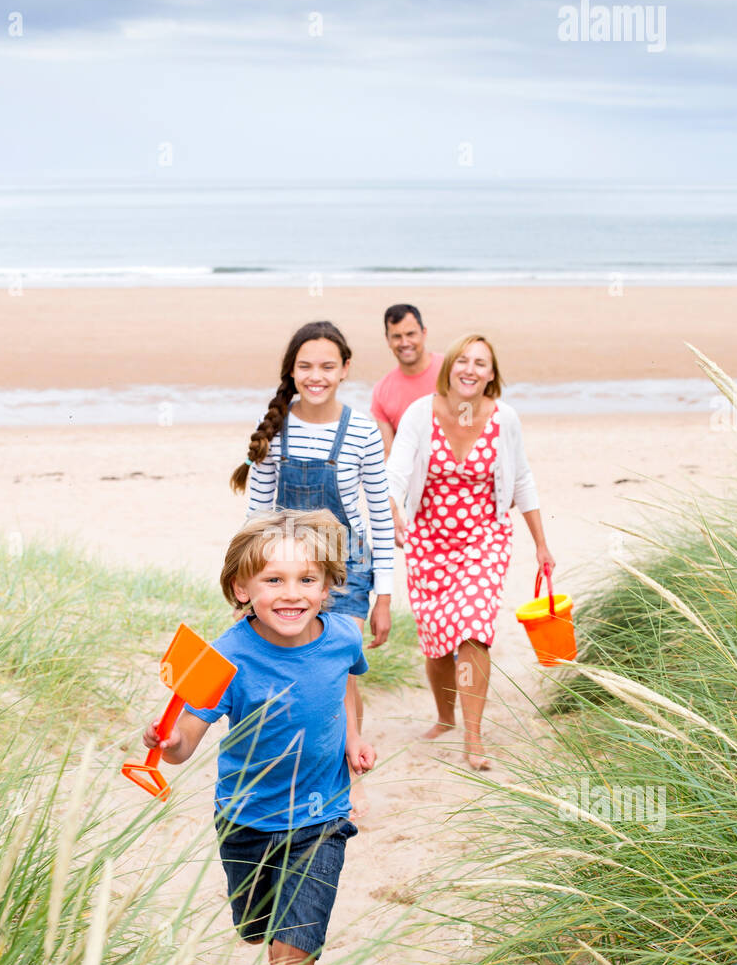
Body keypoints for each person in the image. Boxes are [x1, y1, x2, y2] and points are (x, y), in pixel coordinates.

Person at [142, 509, 375, 965]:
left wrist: (353, 737)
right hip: (246, 817)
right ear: (242, 589)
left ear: (327, 587)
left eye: (306, 580)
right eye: (273, 580)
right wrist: (167, 743)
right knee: (259, 930)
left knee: (296, 951)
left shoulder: (343, 634)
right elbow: (183, 745)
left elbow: (347, 684)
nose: (291, 594)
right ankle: (271, 938)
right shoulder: (223, 658)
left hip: (322, 817)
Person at [230, 320, 393, 814]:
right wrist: (246, 580)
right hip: (284, 567)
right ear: (292, 371)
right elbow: (255, 516)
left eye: (327, 366)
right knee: (289, 670)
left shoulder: (362, 430)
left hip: (348, 566)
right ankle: (288, 770)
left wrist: (384, 595)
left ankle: (349, 773)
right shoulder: (273, 430)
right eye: (305, 366)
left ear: (345, 369)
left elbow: (380, 516)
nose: (316, 375)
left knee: (339, 672)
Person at [386, 333, 555, 769]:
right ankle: (445, 717)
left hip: (484, 539)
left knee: (473, 628)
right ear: (450, 367)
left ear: (491, 374)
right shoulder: (420, 414)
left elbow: (522, 481)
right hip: (429, 543)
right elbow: (397, 471)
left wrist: (540, 543)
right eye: (463, 360)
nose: (470, 369)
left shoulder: (505, 419)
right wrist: (394, 511)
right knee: (438, 642)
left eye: (481, 363)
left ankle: (473, 737)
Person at [371, 304, 444, 457]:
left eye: (411, 334)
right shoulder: (381, 392)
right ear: (388, 340)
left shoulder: (451, 370)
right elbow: (388, 453)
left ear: (424, 333)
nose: (404, 343)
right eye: (397, 336)